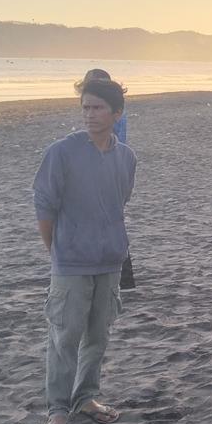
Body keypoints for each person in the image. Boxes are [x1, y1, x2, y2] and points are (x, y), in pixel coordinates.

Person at [33, 78, 136, 424]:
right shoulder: (62, 152)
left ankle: (86, 398)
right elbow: (45, 206)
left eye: (98, 108)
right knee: (64, 336)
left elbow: (119, 201)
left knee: (98, 335)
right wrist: (57, 250)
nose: (90, 114)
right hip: (71, 262)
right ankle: (58, 411)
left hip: (109, 260)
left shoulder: (125, 156)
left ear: (116, 113)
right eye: (86, 107)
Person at [78, 69, 135, 289]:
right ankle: (121, 278)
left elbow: (107, 141)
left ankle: (120, 277)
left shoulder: (110, 113)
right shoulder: (112, 109)